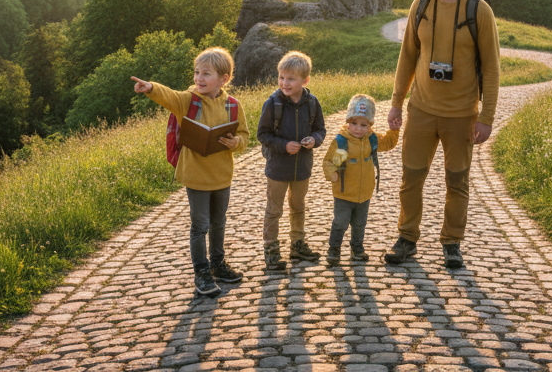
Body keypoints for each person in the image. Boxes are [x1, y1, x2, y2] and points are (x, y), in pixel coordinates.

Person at [383, 0, 500, 269]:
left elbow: (491, 67)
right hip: (421, 110)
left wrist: (486, 117)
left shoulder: (479, 12)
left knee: (457, 181)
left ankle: (452, 243)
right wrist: (396, 104)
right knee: (410, 179)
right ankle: (407, 239)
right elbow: (407, 57)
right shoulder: (420, 6)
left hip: (462, 115)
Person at [132, 47, 248, 297]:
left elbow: (244, 136)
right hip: (195, 176)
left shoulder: (233, 106)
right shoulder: (188, 100)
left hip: (222, 176)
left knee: (219, 223)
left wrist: (235, 143)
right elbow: (169, 96)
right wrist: (151, 87)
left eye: (206, 74)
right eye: (197, 72)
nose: (199, 78)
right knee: (200, 226)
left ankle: (218, 265)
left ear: (224, 78)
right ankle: (202, 272)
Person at [255, 51, 326, 271]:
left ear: (305, 80)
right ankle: (271, 250)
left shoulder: (312, 103)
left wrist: (313, 140)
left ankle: (297, 245)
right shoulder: (273, 103)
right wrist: (284, 145)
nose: (285, 83)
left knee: (298, 207)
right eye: (281, 77)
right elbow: (263, 135)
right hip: (277, 168)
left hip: (302, 168)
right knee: (274, 210)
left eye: (291, 79)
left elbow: (320, 130)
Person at [322, 93, 399, 264]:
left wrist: (394, 130)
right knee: (340, 222)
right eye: (354, 123)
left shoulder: (371, 138)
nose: (358, 128)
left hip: (364, 192)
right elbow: (327, 161)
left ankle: (357, 248)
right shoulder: (341, 140)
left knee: (359, 224)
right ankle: (334, 248)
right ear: (347, 122)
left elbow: (388, 143)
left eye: (363, 125)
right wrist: (331, 174)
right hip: (343, 192)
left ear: (370, 124)